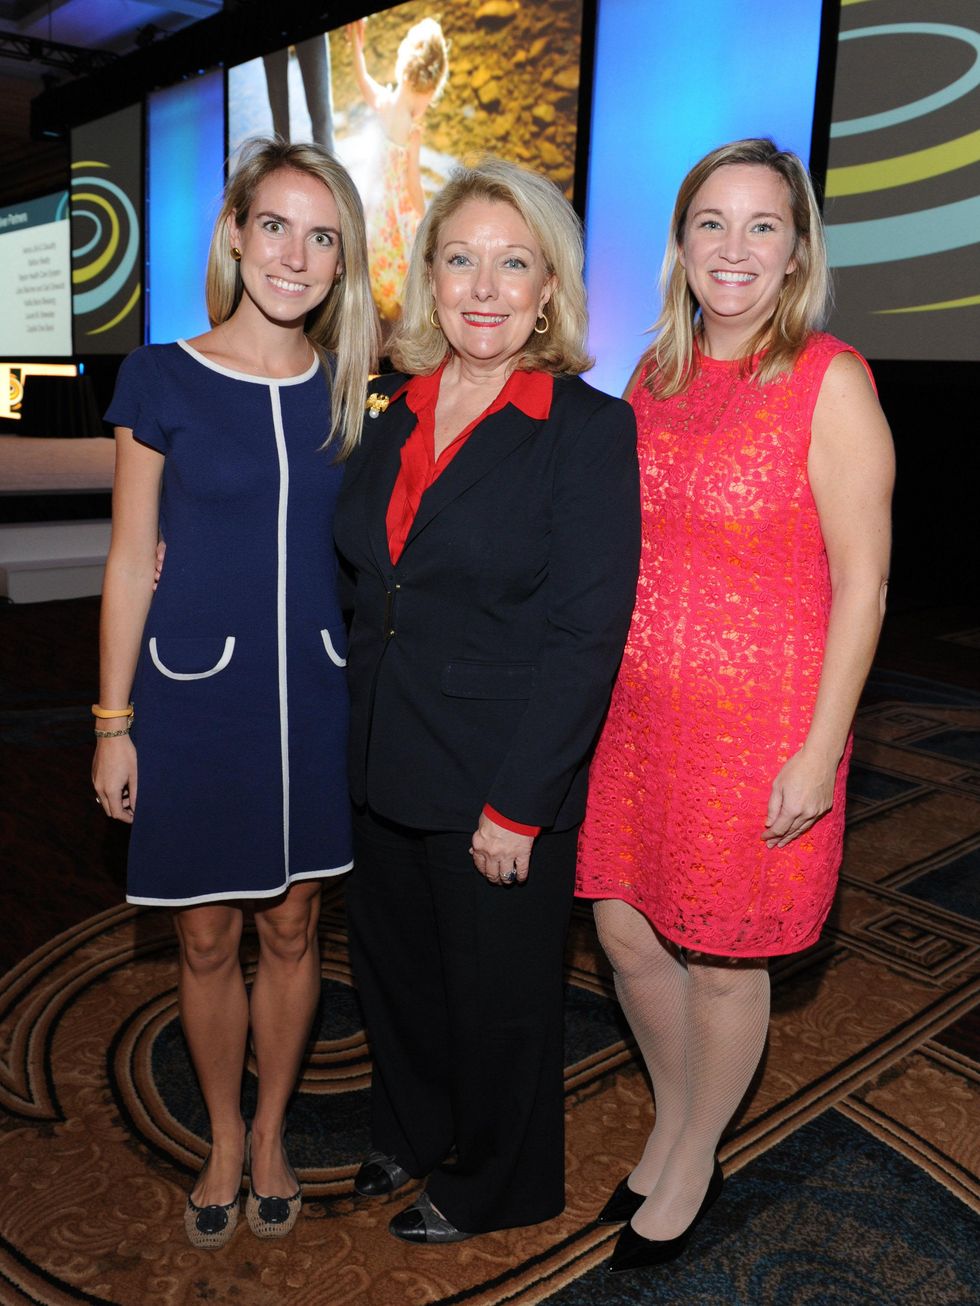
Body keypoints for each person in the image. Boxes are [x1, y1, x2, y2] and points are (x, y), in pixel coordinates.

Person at [575, 138, 895, 1274]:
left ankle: (692, 1152)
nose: (734, 247)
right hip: (634, 721)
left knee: (721, 957)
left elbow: (863, 582)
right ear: (679, 243)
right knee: (623, 932)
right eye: (711, 222)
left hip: (761, 728)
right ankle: (679, 1117)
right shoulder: (651, 377)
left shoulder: (828, 379)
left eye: (763, 225)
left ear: (797, 250)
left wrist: (819, 751)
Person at [334, 158, 640, 1241]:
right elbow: (366, 578)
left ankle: (498, 1182)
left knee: (497, 997)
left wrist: (520, 805)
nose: (483, 286)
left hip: (496, 776)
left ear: (548, 289)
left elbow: (586, 635)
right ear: (429, 276)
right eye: (460, 258)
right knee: (396, 974)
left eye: (513, 264)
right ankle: (414, 1128)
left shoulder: (586, 430)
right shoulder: (391, 408)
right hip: (379, 754)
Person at [92, 138, 379, 1250]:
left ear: (342, 261)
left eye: (322, 237)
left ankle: (269, 1134)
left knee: (296, 924)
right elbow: (130, 560)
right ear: (233, 235)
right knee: (206, 937)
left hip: (314, 699)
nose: (294, 257)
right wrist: (112, 724)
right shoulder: (159, 376)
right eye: (274, 226)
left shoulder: (351, 389)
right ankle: (220, 1135)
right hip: (192, 702)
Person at [345, 16, 449, 321]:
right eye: (428, 102)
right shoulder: (412, 131)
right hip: (399, 222)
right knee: (410, 277)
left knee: (379, 266)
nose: (425, 109)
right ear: (428, 89)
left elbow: (362, 79)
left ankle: (380, 309)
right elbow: (413, 185)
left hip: (376, 216)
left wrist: (357, 45)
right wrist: (429, 221)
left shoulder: (384, 102)